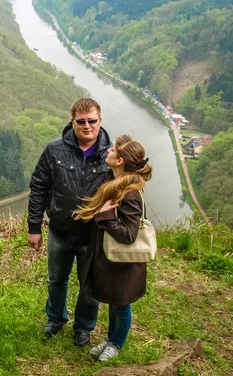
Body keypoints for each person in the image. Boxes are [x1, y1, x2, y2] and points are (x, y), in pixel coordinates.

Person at [27, 98, 112, 346]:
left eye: (92, 121)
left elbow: (127, 192)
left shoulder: (113, 155)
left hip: (93, 236)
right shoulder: (54, 150)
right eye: (81, 121)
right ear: (72, 121)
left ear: (100, 120)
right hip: (60, 232)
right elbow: (39, 187)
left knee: (89, 285)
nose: (87, 126)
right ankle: (55, 318)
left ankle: (83, 327)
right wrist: (34, 227)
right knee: (56, 280)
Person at [74, 135, 152, 362]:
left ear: (120, 162)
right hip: (112, 258)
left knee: (122, 303)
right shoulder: (117, 182)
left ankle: (116, 343)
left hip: (124, 260)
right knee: (115, 299)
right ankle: (110, 339)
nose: (108, 150)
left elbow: (128, 235)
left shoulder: (130, 193)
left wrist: (104, 215)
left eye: (113, 151)